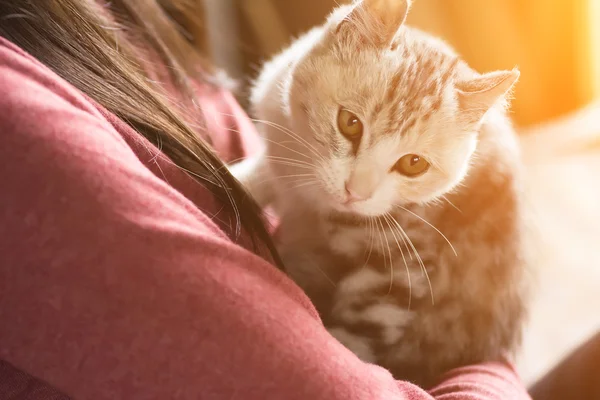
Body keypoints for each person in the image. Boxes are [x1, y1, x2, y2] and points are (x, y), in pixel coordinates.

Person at [0, 1, 594, 399]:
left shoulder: (81, 24)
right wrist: (493, 376)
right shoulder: (24, 126)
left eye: (409, 166)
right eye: (352, 129)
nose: (357, 190)